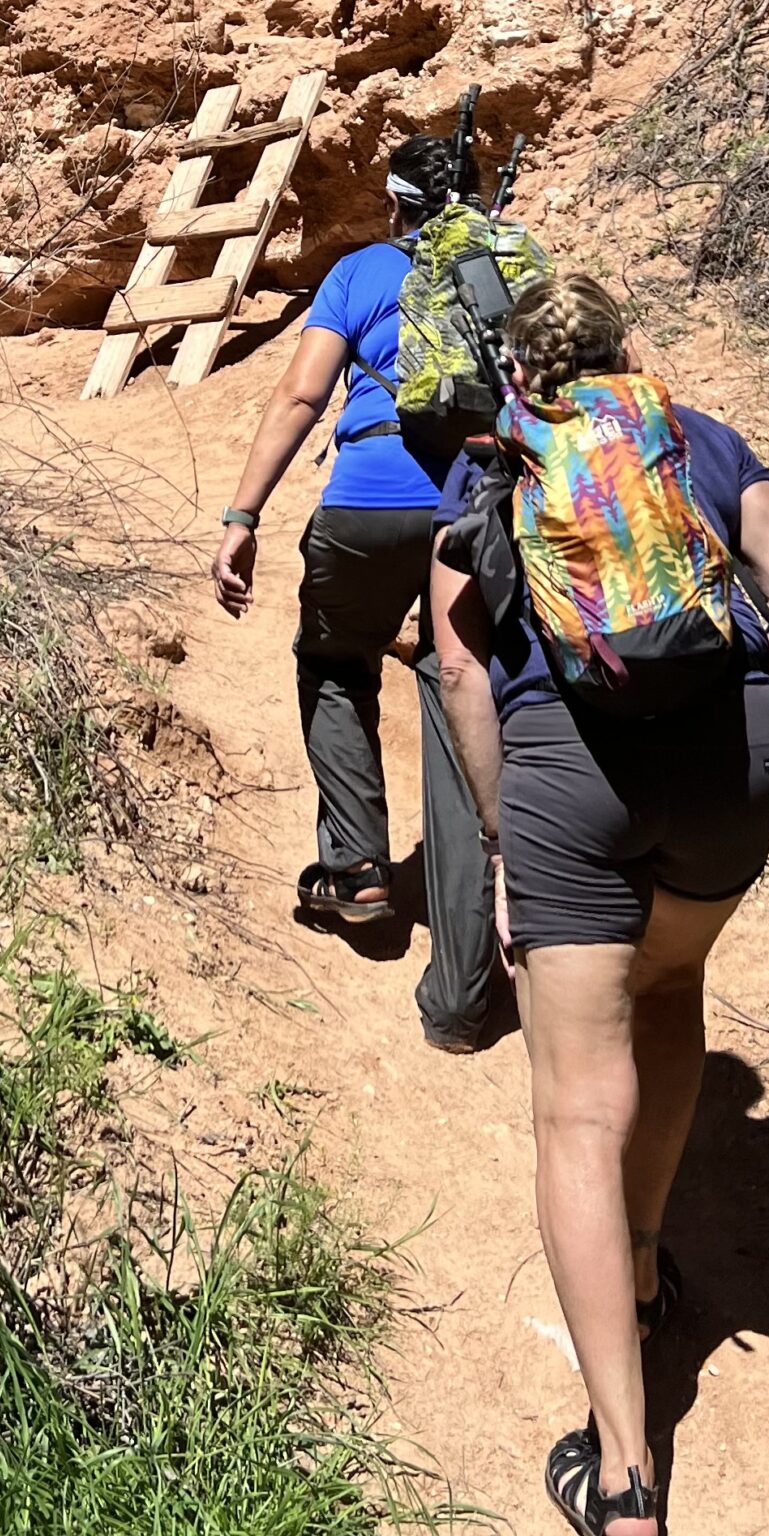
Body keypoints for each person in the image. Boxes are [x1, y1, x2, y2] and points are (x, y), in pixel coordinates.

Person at [429, 272, 769, 1536]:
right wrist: (745, 722)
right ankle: (651, 1272)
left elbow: (452, 660)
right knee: (670, 995)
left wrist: (500, 842)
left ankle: (623, 1472)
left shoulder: (499, 465)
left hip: (566, 781)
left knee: (574, 1112)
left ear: (521, 375)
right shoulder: (697, 440)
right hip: (731, 776)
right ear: (622, 352)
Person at [210, 135, 498, 1051]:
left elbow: (301, 397)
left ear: (397, 202)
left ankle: (358, 867)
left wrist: (243, 515)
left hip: (368, 503)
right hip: (478, 513)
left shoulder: (364, 270)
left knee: (336, 664)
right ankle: (460, 995)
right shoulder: (503, 273)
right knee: (461, 710)